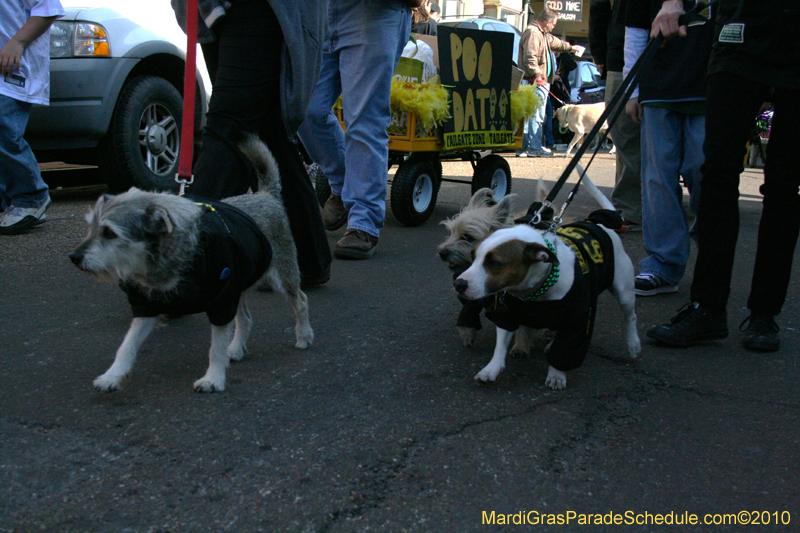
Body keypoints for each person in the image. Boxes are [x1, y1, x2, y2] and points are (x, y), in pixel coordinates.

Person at [647, 0, 800, 352]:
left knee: (785, 184)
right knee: (717, 174)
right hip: (739, 35)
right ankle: (707, 306)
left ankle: (765, 313)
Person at [171, 0, 332, 287]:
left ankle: (180, 260)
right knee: (265, 128)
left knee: (231, 125)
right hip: (212, 8)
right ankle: (307, 257)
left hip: (259, 7)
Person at [298, 0, 413, 260]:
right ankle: (344, 186)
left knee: (364, 120)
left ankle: (364, 223)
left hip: (373, 11)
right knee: (304, 110)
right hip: (322, 9)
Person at [623, 0, 713, 297]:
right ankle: (664, 262)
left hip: (712, 81)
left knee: (704, 172)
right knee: (657, 178)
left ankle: (712, 253)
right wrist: (633, 90)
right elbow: (635, 30)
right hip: (658, 87)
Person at [0, 0, 64, 235]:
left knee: (3, 130)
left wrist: (17, 42)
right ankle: (11, 203)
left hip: (11, 67)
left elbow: (48, 9)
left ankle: (31, 197)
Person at [589, 0, 642, 232]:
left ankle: (632, 210)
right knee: (630, 137)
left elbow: (599, 7)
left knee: (627, 136)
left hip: (625, 54)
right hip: (654, 51)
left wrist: (600, 52)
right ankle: (636, 208)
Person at [517, 8, 579, 158]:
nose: (553, 27)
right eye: (553, 24)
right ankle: (534, 147)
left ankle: (526, 147)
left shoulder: (542, 34)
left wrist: (571, 48)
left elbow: (556, 43)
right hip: (535, 81)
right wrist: (536, 74)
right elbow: (530, 57)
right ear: (547, 22)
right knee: (535, 115)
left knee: (531, 115)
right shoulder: (533, 33)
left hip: (537, 80)